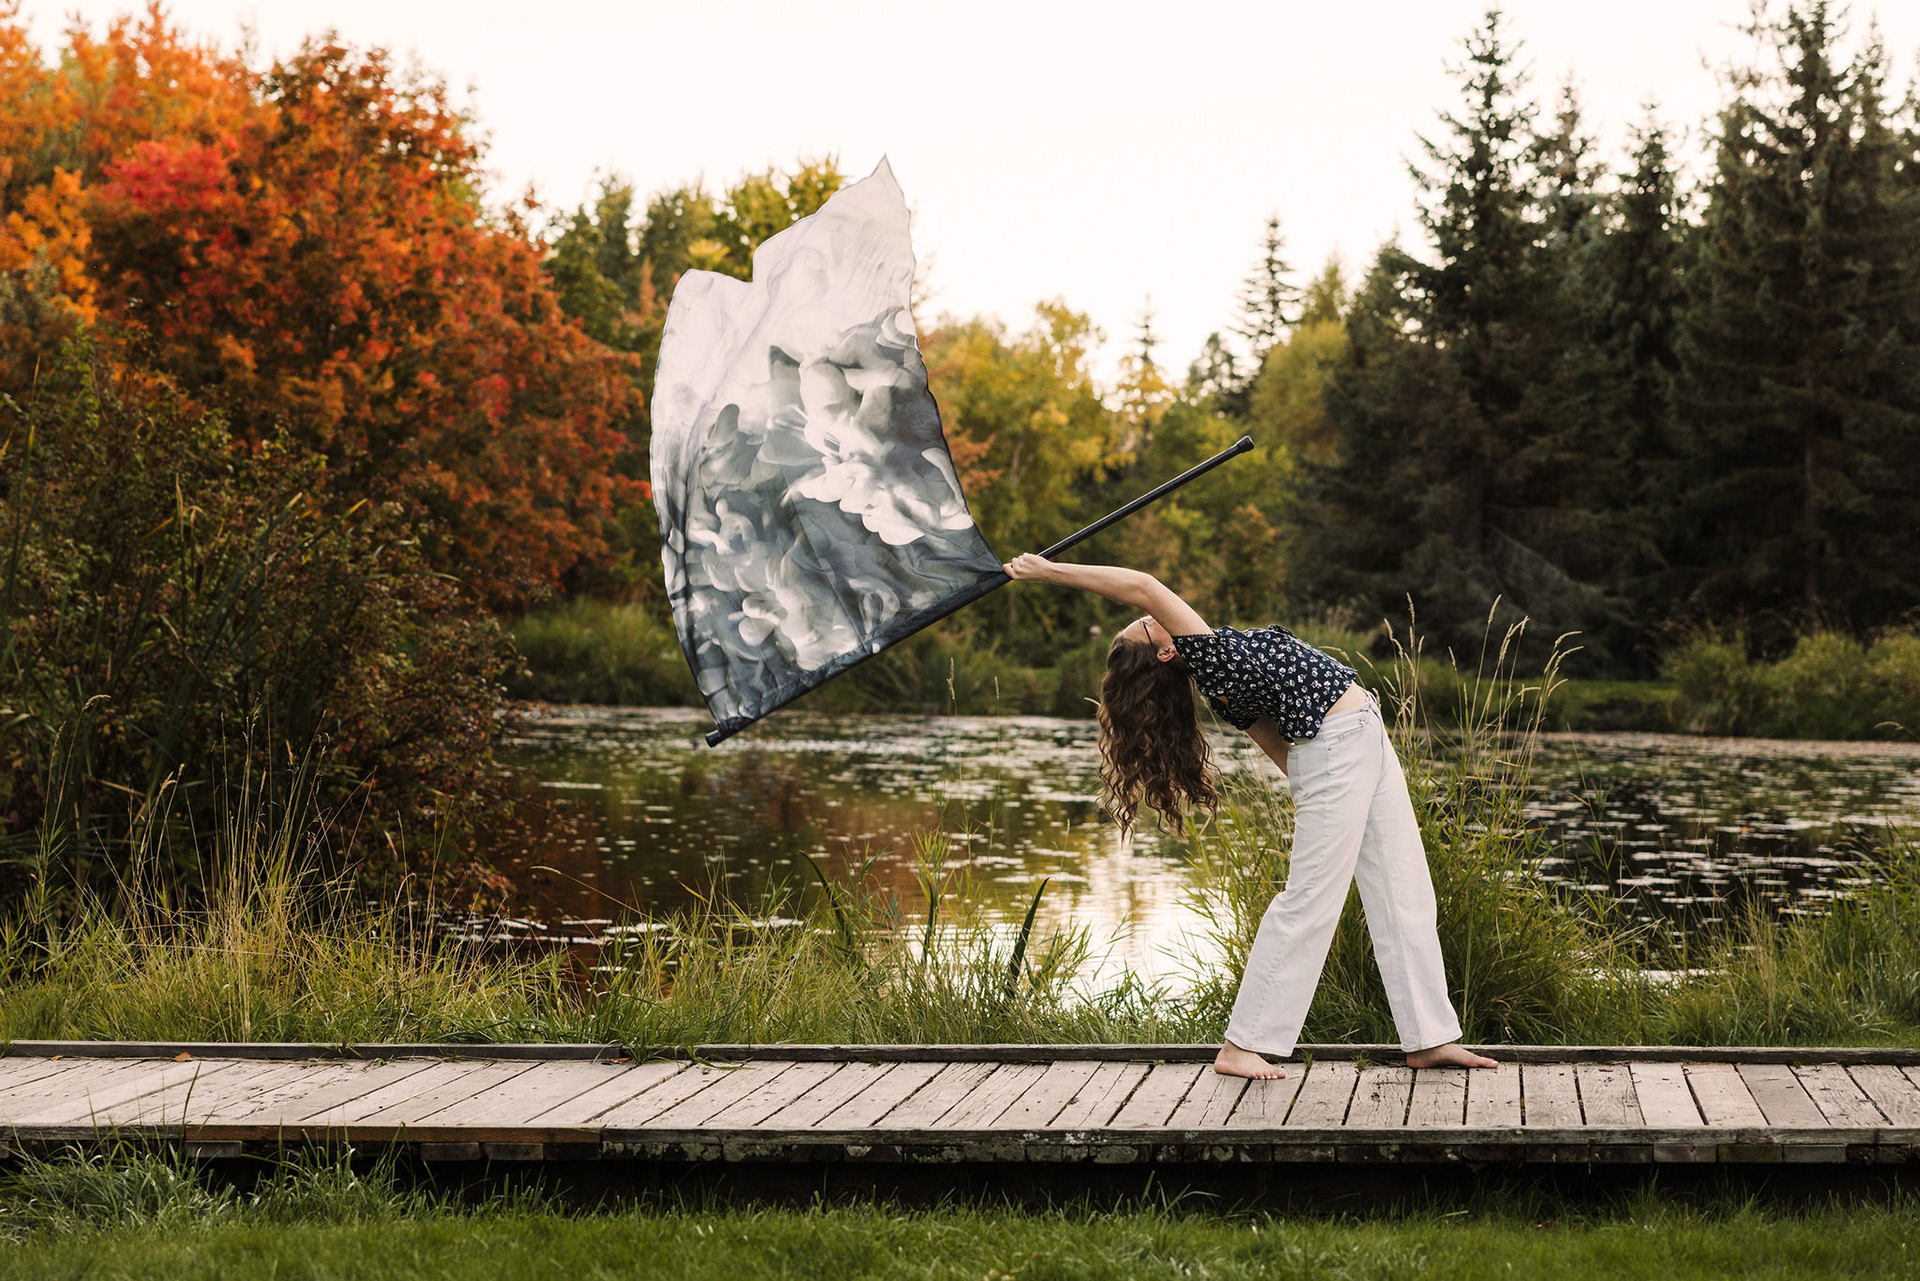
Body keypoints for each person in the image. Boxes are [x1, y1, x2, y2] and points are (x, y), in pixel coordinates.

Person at [1001, 554, 1497, 1079]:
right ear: (1168, 649)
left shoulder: (1223, 675)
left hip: (1358, 740)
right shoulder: (1210, 654)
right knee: (1309, 900)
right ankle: (1242, 1045)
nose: (1159, 613)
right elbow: (1142, 584)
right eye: (1149, 621)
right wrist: (1049, 571)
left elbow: (1279, 749)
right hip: (1340, 746)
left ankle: (1428, 1038)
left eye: (1145, 619)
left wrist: (1320, 789)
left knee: (1404, 889)